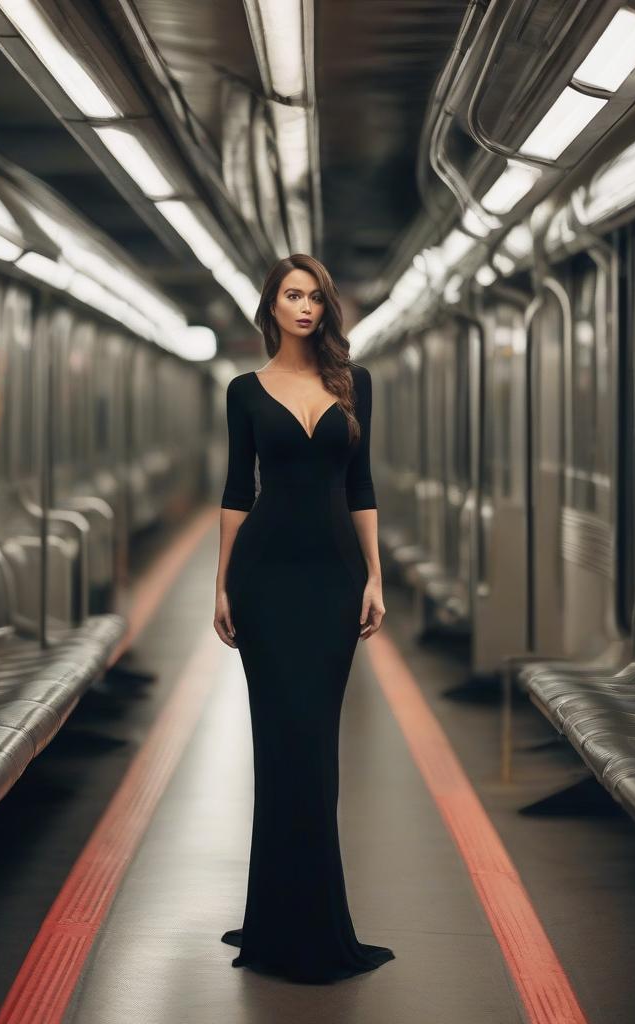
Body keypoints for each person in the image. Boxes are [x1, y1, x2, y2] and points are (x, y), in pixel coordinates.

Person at [213, 253, 394, 983]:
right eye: (293, 295)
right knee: (279, 745)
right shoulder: (244, 391)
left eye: (316, 296)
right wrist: (221, 585)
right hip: (265, 579)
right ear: (271, 307)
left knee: (317, 749)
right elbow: (236, 489)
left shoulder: (357, 385)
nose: (306, 307)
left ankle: (316, 922)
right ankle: (275, 923)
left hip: (334, 580)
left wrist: (376, 574)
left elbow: (361, 483)